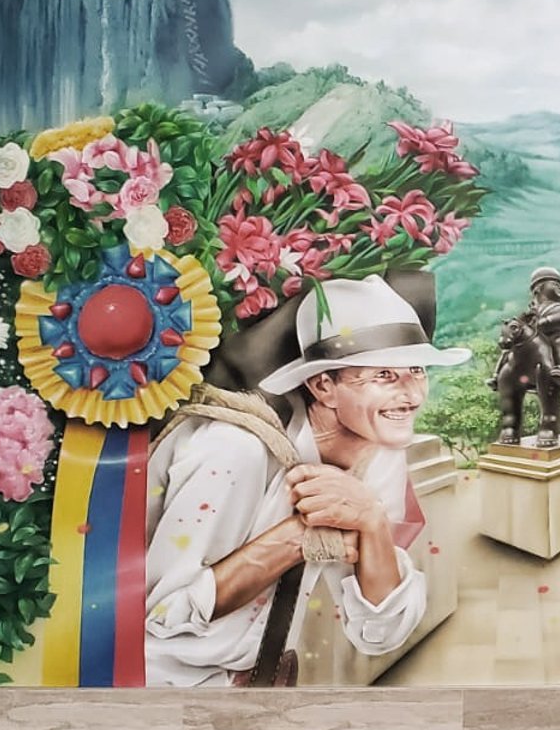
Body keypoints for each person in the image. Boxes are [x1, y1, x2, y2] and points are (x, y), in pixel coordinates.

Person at [143, 276, 470, 686]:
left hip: (263, 691)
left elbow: (380, 631)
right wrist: (299, 536)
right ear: (322, 386)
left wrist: (370, 521)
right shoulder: (234, 449)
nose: (413, 395)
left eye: (416, 371)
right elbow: (161, 618)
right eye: (385, 375)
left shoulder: (378, 459)